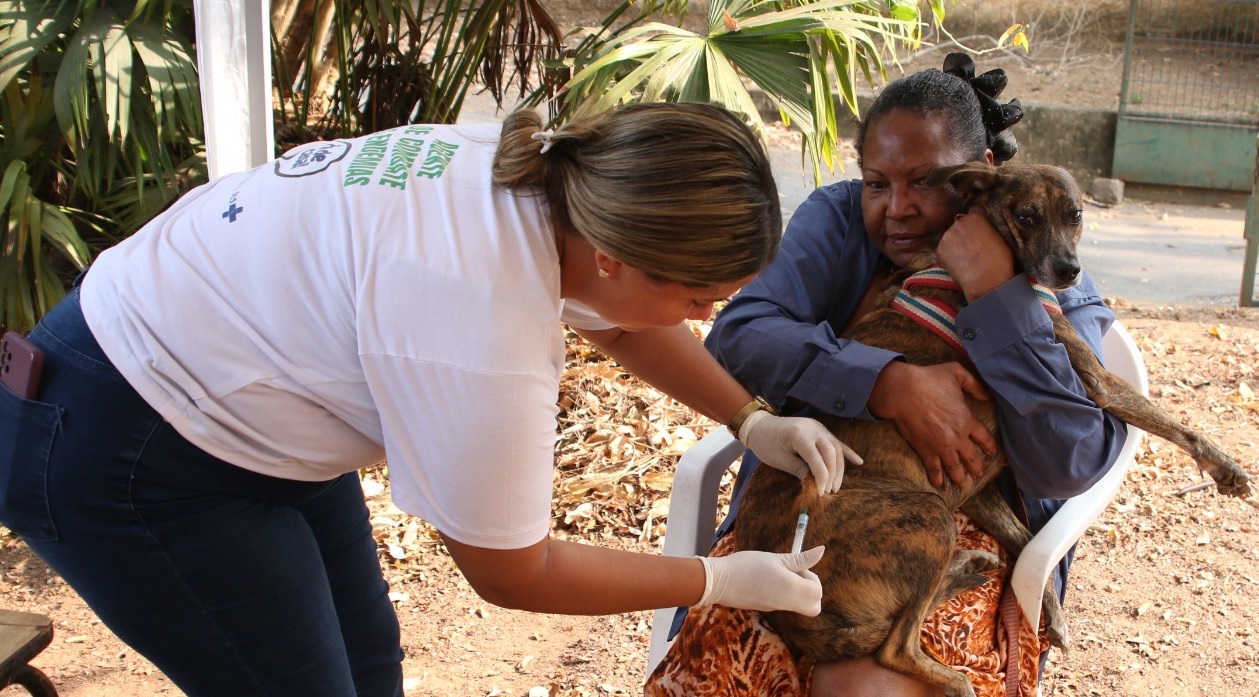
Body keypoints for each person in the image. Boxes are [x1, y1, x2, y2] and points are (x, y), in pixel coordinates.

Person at [0, 102, 863, 697]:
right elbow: (512, 570)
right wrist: (716, 578)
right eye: (698, 297)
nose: (703, 319)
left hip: (230, 394)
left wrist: (750, 416)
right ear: (615, 255)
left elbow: (621, 318)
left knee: (367, 660)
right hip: (119, 443)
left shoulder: (546, 176)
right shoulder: (480, 320)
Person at [645, 56, 1129, 697]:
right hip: (813, 506)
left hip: (973, 521)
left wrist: (993, 294)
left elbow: (1070, 461)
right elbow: (741, 334)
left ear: (979, 176)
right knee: (725, 649)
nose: (896, 209)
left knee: (865, 682)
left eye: (925, 182)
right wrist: (886, 382)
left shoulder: (1056, 281)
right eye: (876, 182)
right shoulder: (841, 222)